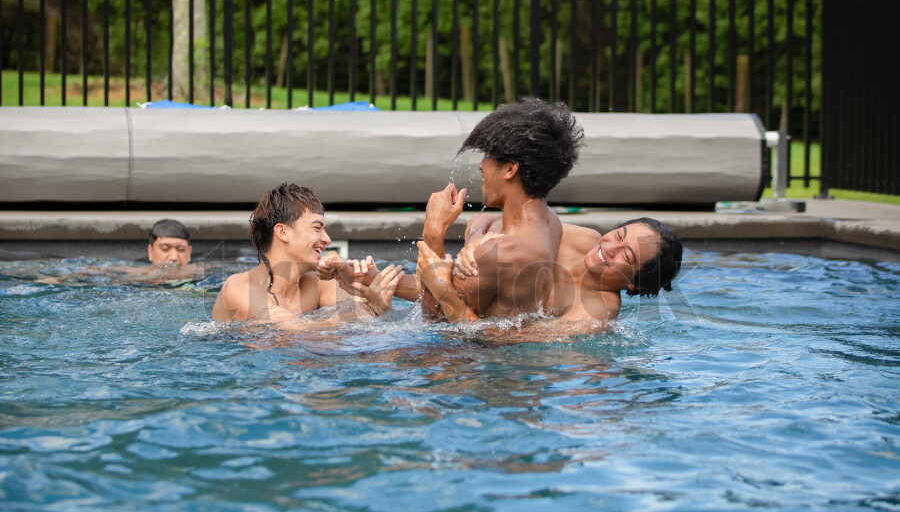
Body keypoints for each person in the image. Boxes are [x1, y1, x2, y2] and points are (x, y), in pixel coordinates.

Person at [417, 97, 585, 321]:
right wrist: (476, 237)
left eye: (487, 157)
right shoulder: (547, 219)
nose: (481, 165)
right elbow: (479, 220)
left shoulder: (501, 253)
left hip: (477, 354)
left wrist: (433, 233)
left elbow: (435, 317)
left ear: (509, 169)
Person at [443, 215, 683, 328]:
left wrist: (442, 291)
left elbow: (499, 339)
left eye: (626, 256)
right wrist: (475, 243)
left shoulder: (596, 312)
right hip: (460, 309)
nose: (609, 248)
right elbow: (485, 219)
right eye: (618, 236)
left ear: (635, 284)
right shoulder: (584, 238)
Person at [212, 183, 404, 322]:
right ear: (283, 232)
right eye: (317, 228)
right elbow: (296, 335)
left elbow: (367, 327)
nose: (327, 239)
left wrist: (360, 285)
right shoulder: (239, 289)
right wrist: (375, 308)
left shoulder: (318, 283)